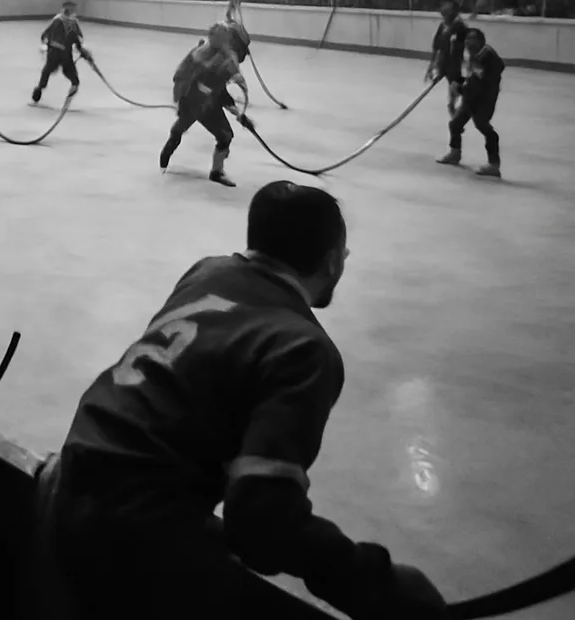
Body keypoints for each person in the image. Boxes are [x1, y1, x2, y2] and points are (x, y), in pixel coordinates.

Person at [41, 181, 447, 620]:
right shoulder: (302, 348)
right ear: (331, 262)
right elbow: (260, 521)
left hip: (72, 477)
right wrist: (375, 582)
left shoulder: (207, 272)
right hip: (131, 529)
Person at [159, 23, 249, 187]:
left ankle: (171, 144)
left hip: (199, 99)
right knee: (225, 135)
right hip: (199, 101)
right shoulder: (218, 59)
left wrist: (238, 113)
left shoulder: (215, 54)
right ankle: (216, 172)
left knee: (183, 124)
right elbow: (217, 90)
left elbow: (217, 89)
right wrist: (238, 113)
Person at [437, 28, 505, 177]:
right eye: (467, 39)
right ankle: (455, 153)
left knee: (483, 125)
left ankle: (494, 164)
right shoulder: (475, 56)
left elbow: (481, 82)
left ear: (481, 41)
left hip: (484, 99)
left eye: (473, 39)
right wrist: (458, 82)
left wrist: (461, 89)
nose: (468, 42)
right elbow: (472, 78)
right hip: (471, 98)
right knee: (455, 124)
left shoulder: (486, 56)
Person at [31, 0, 93, 105]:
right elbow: (46, 36)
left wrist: (83, 51)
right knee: (49, 72)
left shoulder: (71, 22)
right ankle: (40, 89)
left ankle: (41, 90)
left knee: (52, 72)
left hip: (62, 55)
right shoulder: (59, 21)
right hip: (57, 54)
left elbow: (77, 40)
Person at [425, 0, 469, 118]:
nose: (443, 7)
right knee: (455, 88)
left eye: (447, 3)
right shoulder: (443, 25)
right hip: (444, 64)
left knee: (456, 87)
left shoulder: (459, 26)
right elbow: (436, 46)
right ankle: (454, 108)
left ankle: (454, 108)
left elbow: (462, 48)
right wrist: (432, 65)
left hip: (453, 65)